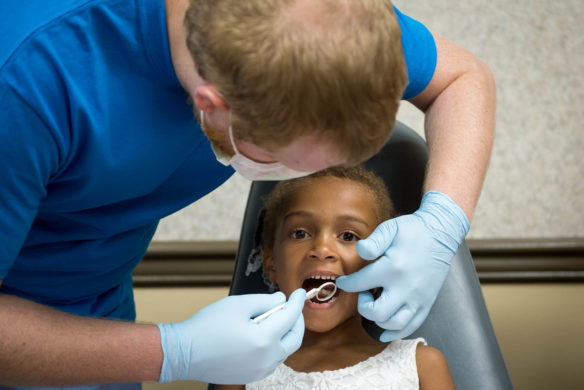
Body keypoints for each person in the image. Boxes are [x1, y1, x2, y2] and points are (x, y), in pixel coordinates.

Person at [0, 0, 494, 388]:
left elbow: (463, 78)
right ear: (212, 108)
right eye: (299, 164)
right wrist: (172, 352)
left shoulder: (326, 23)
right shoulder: (27, 81)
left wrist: (442, 223)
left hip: (99, 299)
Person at [215, 166, 456, 389]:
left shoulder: (422, 366)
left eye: (348, 236)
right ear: (271, 263)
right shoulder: (242, 370)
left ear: (381, 265)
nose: (322, 249)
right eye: (300, 233)